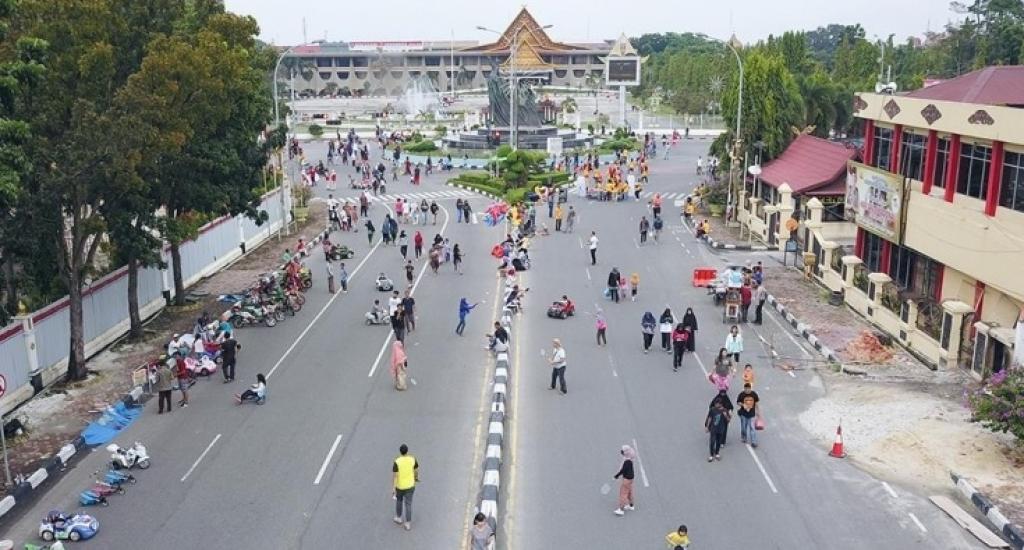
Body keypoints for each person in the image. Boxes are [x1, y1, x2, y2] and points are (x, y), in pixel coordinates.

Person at [392, 443, 418, 530]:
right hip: (410, 486)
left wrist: (393, 488)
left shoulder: (397, 461)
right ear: (407, 451)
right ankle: (408, 524)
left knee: (399, 501)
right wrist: (415, 478)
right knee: (408, 504)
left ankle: (398, 518)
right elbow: (416, 469)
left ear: (400, 452)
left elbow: (395, 476)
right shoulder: (412, 459)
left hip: (400, 486)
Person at [612, 445, 636, 516]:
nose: (621, 452)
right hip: (631, 479)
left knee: (623, 493)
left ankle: (621, 509)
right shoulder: (630, 460)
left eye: (623, 451)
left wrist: (616, 476)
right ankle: (631, 505)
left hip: (626, 480)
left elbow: (623, 470)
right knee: (629, 492)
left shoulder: (627, 462)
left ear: (626, 453)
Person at [736, 383, 761, 447]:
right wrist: (743, 405)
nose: (747, 390)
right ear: (744, 389)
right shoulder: (741, 394)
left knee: (752, 428)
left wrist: (758, 412)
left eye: (748, 389)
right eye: (746, 389)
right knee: (744, 427)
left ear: (750, 388)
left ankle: (753, 441)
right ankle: (744, 437)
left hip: (752, 414)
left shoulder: (754, 394)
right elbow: (738, 402)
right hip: (743, 414)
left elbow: (756, 403)